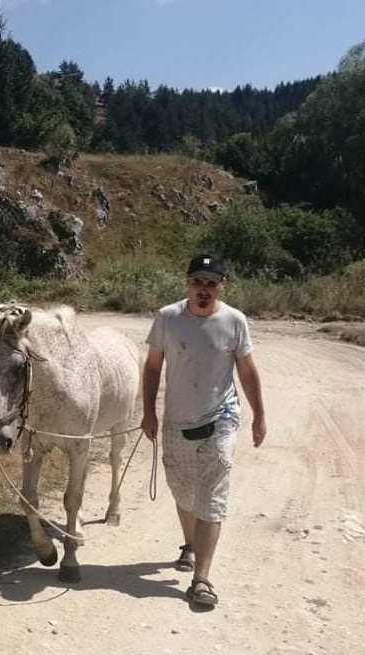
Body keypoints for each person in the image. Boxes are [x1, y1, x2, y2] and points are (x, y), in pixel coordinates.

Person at [140, 253, 266, 607]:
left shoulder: (234, 321)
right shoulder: (167, 318)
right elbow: (152, 369)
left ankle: (201, 579)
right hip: (177, 420)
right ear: (187, 283)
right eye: (198, 282)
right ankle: (190, 544)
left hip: (221, 418)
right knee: (183, 492)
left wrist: (259, 414)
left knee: (211, 495)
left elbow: (247, 370)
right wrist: (148, 412)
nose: (204, 289)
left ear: (222, 286)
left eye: (211, 283)